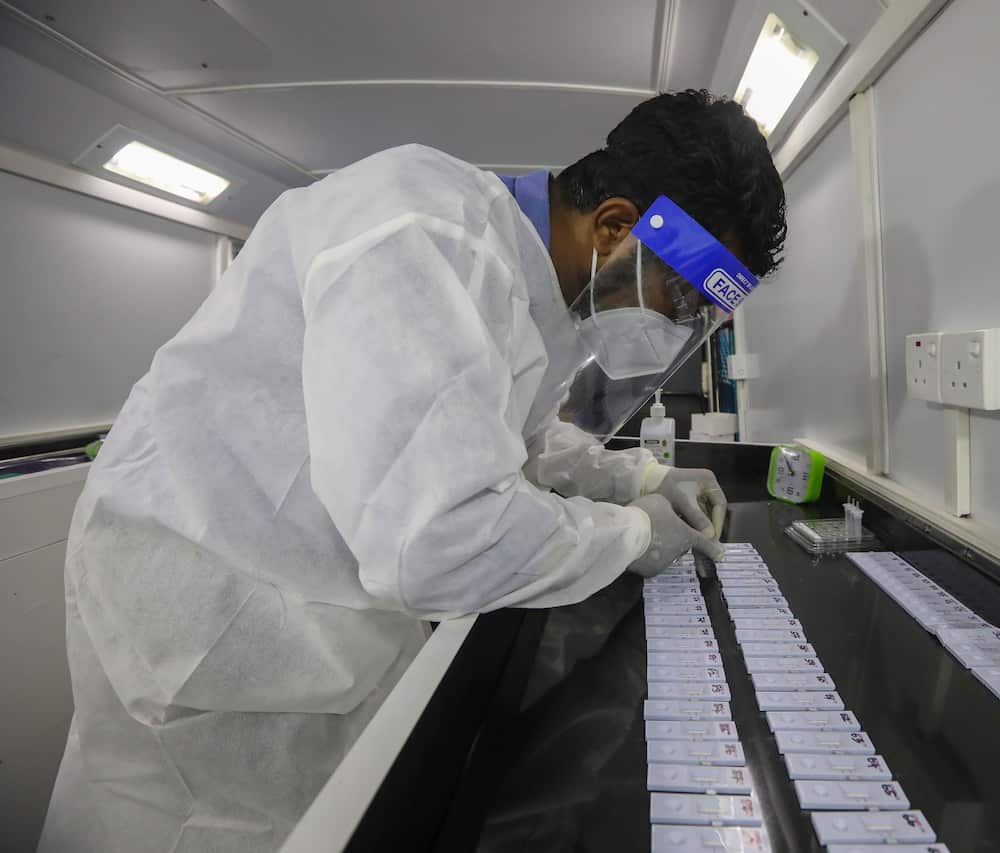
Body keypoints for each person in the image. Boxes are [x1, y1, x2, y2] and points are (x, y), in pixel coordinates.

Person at [39, 89, 786, 853]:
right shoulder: (425, 233)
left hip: (308, 598)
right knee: (199, 825)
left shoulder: (536, 299)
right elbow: (441, 535)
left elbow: (510, 440)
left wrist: (638, 479)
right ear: (616, 226)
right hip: (207, 606)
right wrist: (630, 534)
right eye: (685, 299)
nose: (680, 328)